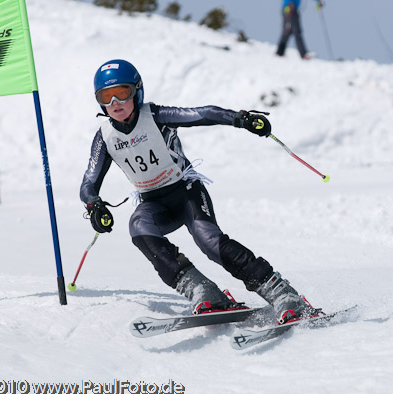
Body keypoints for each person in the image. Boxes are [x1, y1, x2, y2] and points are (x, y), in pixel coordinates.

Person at [80, 59, 322, 325]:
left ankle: (282, 293)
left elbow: (202, 113)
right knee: (138, 226)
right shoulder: (104, 137)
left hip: (186, 193)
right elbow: (89, 183)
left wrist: (240, 119)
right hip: (154, 203)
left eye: (122, 92)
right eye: (106, 96)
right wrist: (94, 205)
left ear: (137, 91)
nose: (115, 102)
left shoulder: (156, 116)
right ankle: (202, 290)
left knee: (209, 242)